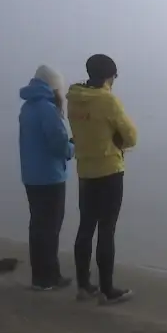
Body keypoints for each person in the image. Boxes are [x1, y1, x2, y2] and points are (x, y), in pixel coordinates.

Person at [67, 54, 137, 305]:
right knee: (106, 230)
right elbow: (131, 136)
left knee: (85, 228)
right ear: (110, 76)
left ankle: (84, 286)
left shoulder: (73, 99)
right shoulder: (107, 100)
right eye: (115, 77)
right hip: (109, 170)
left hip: (85, 171)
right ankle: (107, 290)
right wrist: (118, 141)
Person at [19, 65, 75, 291]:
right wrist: (72, 148)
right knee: (50, 228)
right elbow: (58, 144)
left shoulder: (27, 107)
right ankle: (49, 278)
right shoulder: (47, 109)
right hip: (50, 177)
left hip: (31, 176)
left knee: (38, 227)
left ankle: (40, 276)